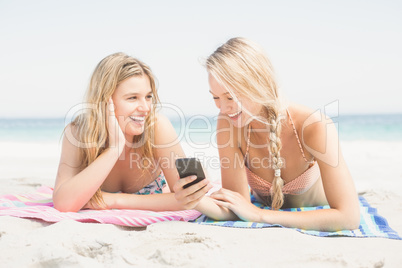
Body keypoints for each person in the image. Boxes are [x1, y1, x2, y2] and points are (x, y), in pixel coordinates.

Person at [175, 38, 360, 231]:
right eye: (215, 97)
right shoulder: (228, 123)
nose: (222, 107)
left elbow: (348, 217)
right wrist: (194, 200)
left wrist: (259, 215)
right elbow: (234, 205)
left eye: (230, 97)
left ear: (258, 84)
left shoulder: (314, 125)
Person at [53, 52, 212, 212]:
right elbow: (63, 204)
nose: (146, 108)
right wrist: (114, 150)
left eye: (148, 97)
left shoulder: (156, 127)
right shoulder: (78, 133)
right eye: (132, 98)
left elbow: (188, 198)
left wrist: (115, 200)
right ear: (105, 101)